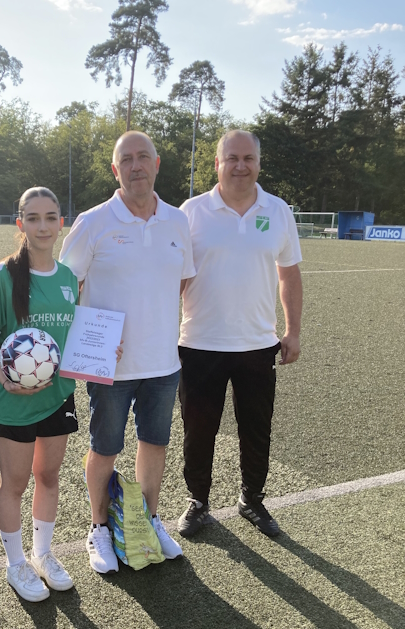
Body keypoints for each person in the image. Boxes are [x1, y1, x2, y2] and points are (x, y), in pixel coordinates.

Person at [60, 131, 195, 574]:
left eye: (143, 157)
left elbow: (180, 281)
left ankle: (148, 520)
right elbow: (64, 288)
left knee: (154, 444)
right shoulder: (93, 221)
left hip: (163, 363)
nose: (136, 166)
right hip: (110, 366)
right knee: (105, 448)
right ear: (115, 170)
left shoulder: (177, 221)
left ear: (157, 164)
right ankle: (99, 527)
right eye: (127, 160)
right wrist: (89, 338)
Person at [176, 130, 303, 539]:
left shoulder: (279, 210)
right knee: (199, 429)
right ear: (218, 163)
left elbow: (289, 273)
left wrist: (293, 330)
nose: (241, 165)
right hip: (198, 344)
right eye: (232, 158)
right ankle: (198, 501)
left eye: (248, 158)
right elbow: (173, 279)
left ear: (259, 164)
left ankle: (252, 499)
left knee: (256, 428)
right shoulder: (191, 212)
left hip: (257, 344)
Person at [0, 187, 86, 602]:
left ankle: (42, 554)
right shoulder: (1, 275)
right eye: (34, 218)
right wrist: (5, 380)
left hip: (58, 396)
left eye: (51, 217)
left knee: (49, 476)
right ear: (20, 224)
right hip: (13, 400)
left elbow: (72, 339)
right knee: (16, 482)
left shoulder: (67, 277)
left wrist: (102, 352)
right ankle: (15, 564)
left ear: (62, 223)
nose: (43, 226)